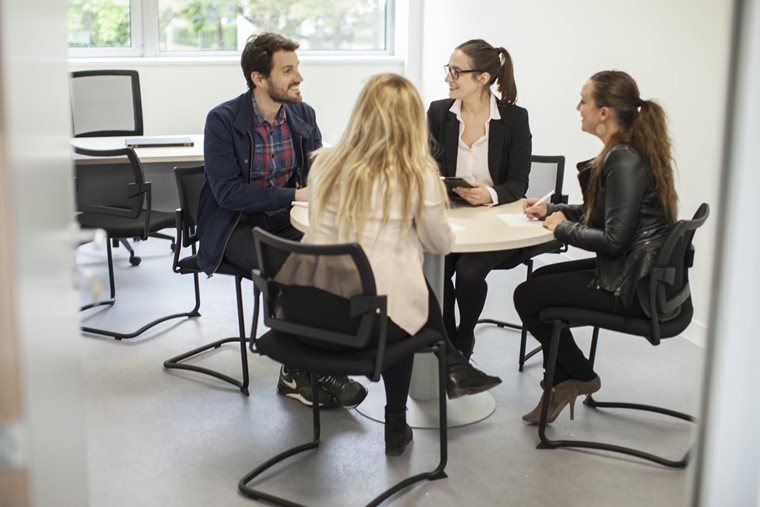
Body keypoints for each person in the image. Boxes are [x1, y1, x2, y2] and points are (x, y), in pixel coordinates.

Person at [301, 73, 502, 456]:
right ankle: (402, 417)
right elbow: (438, 244)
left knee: (399, 286)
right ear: (412, 120)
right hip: (371, 326)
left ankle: (451, 363)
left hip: (309, 313)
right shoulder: (417, 173)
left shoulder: (324, 163)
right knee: (403, 300)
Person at [196, 32, 366, 409]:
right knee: (295, 273)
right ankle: (301, 371)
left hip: (290, 220)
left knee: (340, 264)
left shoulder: (303, 114)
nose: (298, 77)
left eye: (298, 68)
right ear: (259, 78)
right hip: (236, 226)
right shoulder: (222, 121)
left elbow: (316, 175)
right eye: (287, 70)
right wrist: (294, 195)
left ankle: (313, 366)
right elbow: (228, 194)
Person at [514, 70, 678, 424]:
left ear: (604, 112)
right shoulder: (625, 151)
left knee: (529, 296)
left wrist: (561, 229)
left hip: (632, 286)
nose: (578, 107)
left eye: (583, 100)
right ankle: (565, 378)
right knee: (536, 286)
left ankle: (576, 377)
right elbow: (605, 215)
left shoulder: (624, 158)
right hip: (634, 272)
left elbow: (614, 239)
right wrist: (553, 209)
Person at [427, 39, 532, 359]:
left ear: (483, 78)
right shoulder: (439, 112)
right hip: (451, 216)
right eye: (449, 70)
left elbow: (518, 182)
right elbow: (425, 165)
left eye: (456, 71)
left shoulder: (514, 118)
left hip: (495, 222)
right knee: (435, 268)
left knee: (471, 273)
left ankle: (464, 338)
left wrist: (487, 193)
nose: (448, 78)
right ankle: (445, 337)